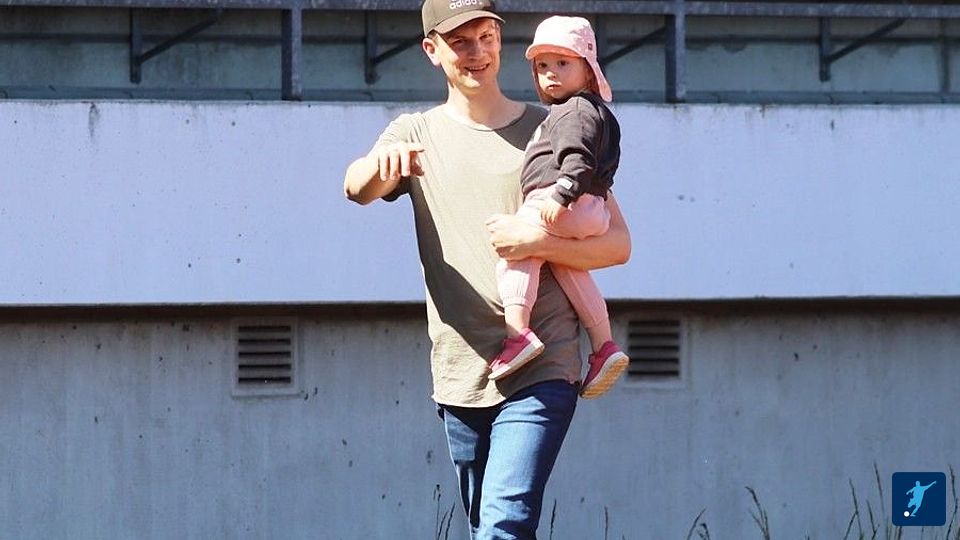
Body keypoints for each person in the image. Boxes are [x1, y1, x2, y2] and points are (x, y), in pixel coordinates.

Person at [342, 1, 630, 537]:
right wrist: (379, 166)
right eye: (460, 42)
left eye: (487, 38)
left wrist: (538, 241)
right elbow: (357, 188)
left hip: (543, 362)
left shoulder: (555, 124)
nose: (477, 53)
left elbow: (617, 244)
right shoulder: (414, 133)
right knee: (484, 525)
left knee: (503, 524)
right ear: (432, 50)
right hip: (461, 370)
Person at [487, 15, 629, 401]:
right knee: (569, 267)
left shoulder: (572, 110)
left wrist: (560, 194)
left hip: (561, 199)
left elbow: (577, 160)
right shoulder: (592, 110)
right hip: (590, 207)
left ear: (588, 69)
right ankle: (603, 345)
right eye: (542, 66)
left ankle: (518, 333)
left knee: (518, 250)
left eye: (563, 63)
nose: (551, 74)